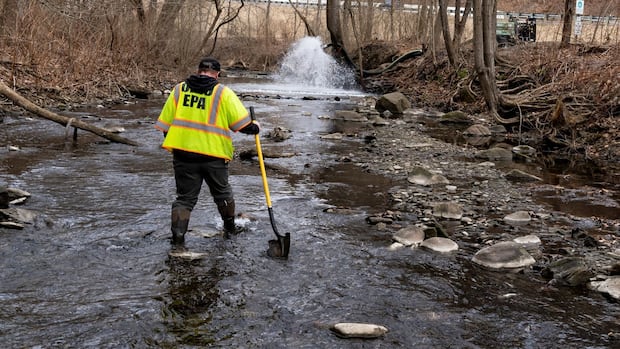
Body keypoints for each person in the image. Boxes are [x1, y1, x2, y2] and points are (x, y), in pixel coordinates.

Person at [155, 57, 260, 245]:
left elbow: (164, 126)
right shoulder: (223, 93)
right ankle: (229, 229)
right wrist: (255, 127)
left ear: (198, 70)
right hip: (214, 155)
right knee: (223, 194)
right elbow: (242, 125)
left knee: (184, 199)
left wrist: (178, 148)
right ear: (217, 74)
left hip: (183, 155)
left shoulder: (179, 89)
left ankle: (178, 240)